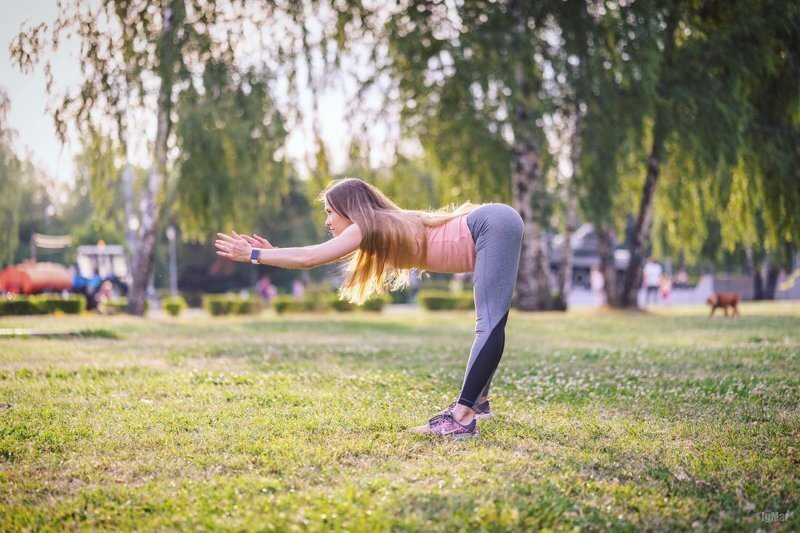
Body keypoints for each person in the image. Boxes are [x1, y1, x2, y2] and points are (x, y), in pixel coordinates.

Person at [215, 178, 524, 440]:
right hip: (495, 222)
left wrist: (254, 254)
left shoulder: (368, 225)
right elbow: (319, 254)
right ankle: (478, 404)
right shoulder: (381, 227)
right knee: (491, 321)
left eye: (330, 212)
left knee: (489, 323)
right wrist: (275, 254)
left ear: (350, 211)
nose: (327, 221)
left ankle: (462, 416)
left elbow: (312, 256)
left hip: (491, 224)